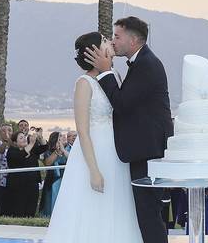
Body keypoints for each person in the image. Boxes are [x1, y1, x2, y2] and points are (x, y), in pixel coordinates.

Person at [44, 31, 143, 242]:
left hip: (117, 153)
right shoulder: (84, 83)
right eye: (106, 41)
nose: (110, 43)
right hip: (94, 154)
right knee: (91, 207)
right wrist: (94, 170)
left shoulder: (115, 75)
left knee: (117, 206)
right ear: (94, 51)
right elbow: (82, 130)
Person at [85, 16, 174, 243]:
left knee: (149, 215)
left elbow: (122, 104)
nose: (113, 41)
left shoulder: (146, 64)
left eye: (117, 36)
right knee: (147, 214)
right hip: (143, 149)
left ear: (133, 40)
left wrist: (105, 71)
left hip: (148, 151)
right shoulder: (143, 61)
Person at [4, 130, 43, 216]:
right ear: (15, 142)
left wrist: (40, 138)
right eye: (21, 138)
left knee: (31, 210)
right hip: (18, 186)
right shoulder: (12, 151)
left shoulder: (32, 149)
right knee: (19, 210)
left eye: (24, 137)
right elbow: (21, 155)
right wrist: (31, 143)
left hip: (32, 184)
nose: (25, 139)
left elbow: (44, 148)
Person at [40, 131, 68, 216]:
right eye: (61, 136)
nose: (64, 137)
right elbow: (47, 163)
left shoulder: (67, 150)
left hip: (65, 180)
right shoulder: (48, 152)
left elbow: (72, 160)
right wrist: (57, 151)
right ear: (55, 139)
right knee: (52, 200)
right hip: (53, 181)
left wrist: (63, 150)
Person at [0, 125, 13, 215]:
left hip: (14, 178)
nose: (7, 133)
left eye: (9, 130)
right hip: (1, 180)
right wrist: (5, 142)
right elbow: (0, 152)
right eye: (3, 131)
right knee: (2, 204)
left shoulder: (16, 144)